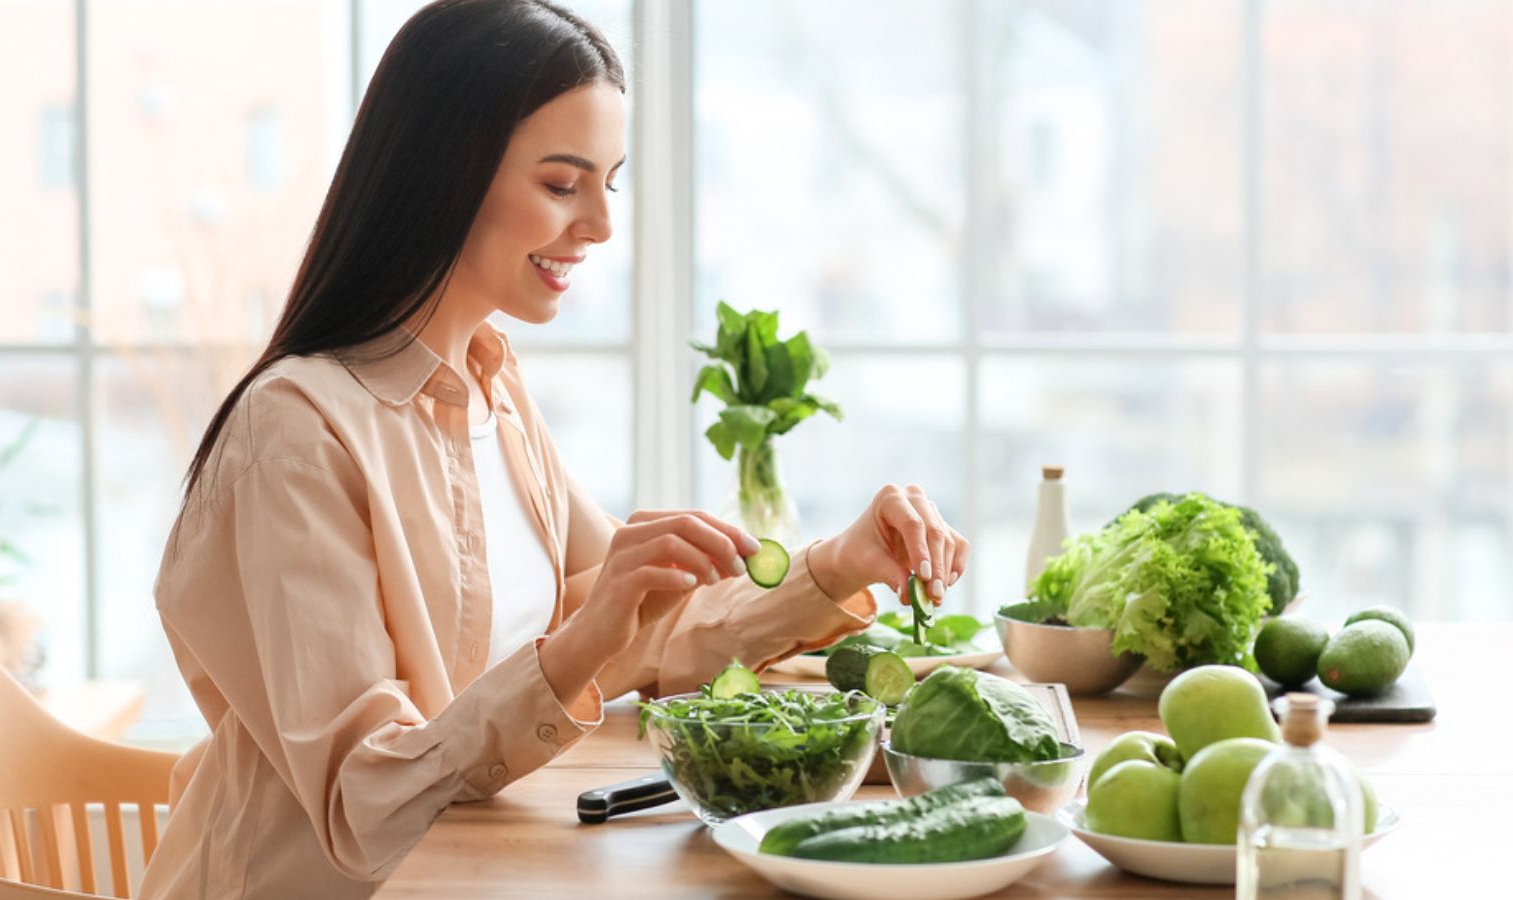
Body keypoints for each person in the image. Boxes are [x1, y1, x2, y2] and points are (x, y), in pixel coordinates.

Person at [139, 2, 970, 898]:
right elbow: (361, 797)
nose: (601, 226)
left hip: (463, 870)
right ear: (442, 176)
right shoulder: (297, 430)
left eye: (608, 182)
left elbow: (640, 626)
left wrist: (841, 562)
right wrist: (581, 644)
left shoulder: (492, 381)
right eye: (562, 184)